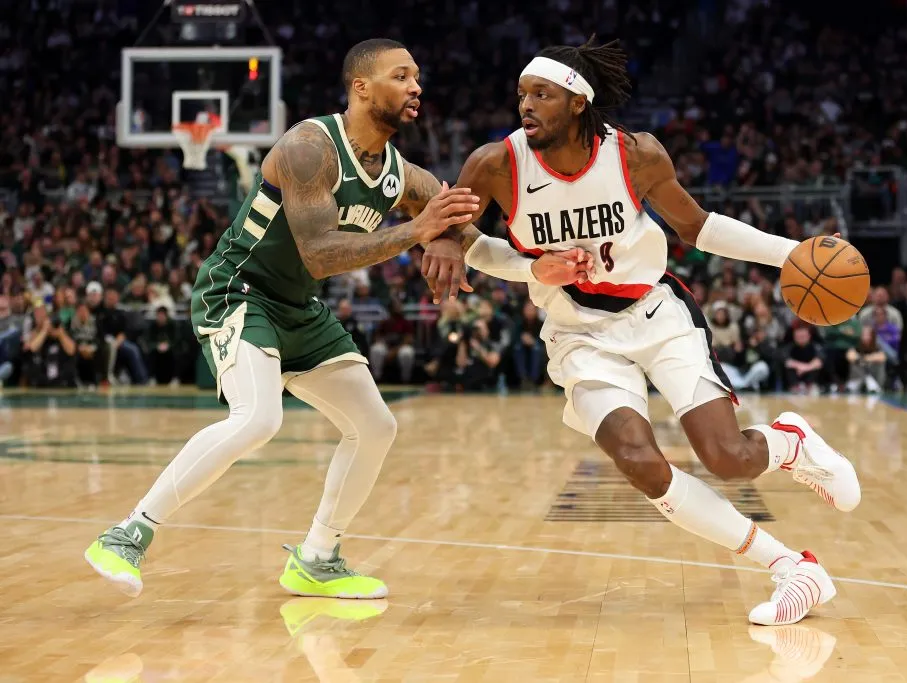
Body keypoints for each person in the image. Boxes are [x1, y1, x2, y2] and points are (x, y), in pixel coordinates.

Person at [83, 38, 593, 600]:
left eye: (418, 77)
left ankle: (318, 557)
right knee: (257, 419)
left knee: (376, 425)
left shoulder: (403, 174)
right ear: (361, 87)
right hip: (239, 292)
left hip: (298, 306)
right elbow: (321, 254)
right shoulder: (309, 146)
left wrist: (535, 268)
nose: (416, 86)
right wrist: (416, 232)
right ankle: (128, 533)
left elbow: (469, 240)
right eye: (402, 76)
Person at [422, 38, 860, 626]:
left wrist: (791, 254)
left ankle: (789, 444)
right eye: (521, 95)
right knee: (638, 460)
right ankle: (791, 568)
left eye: (541, 95)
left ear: (578, 101)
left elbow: (697, 226)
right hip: (578, 332)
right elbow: (461, 235)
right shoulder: (495, 164)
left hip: (654, 313)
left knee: (727, 458)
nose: (525, 106)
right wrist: (497, 258)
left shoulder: (635, 154)